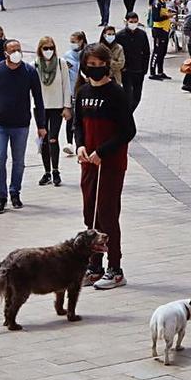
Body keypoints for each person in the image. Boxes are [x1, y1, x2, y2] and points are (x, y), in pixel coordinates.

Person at [75, 43, 137, 290]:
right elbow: (78, 125)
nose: (96, 69)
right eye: (91, 65)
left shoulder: (116, 93)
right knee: (90, 214)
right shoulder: (82, 92)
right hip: (88, 163)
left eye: (101, 65)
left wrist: (103, 152)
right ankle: (94, 265)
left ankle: (115, 269)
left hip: (110, 163)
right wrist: (79, 145)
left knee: (107, 215)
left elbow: (128, 131)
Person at [0, 39, 47, 214]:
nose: (17, 52)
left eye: (19, 49)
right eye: (13, 50)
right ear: (6, 53)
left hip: (21, 123)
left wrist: (41, 124)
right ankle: (1, 196)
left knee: (19, 161)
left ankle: (14, 192)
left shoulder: (29, 71)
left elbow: (38, 99)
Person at [35, 36, 71, 187]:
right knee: (43, 139)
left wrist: (67, 106)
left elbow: (66, 85)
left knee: (53, 138)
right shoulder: (35, 65)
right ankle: (47, 172)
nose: (48, 51)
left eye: (51, 48)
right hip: (41, 107)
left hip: (57, 106)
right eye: (45, 48)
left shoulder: (61, 64)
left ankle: (56, 170)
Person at [117, 12, 150, 111]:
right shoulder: (120, 35)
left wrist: (145, 69)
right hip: (126, 71)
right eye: (131, 22)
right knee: (128, 96)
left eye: (135, 22)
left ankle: (127, 116)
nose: (133, 24)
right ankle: (126, 118)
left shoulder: (142, 34)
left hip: (139, 70)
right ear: (126, 22)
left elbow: (146, 52)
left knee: (137, 97)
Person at [62, 31, 88, 156]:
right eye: (71, 42)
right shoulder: (67, 56)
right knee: (70, 118)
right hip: (72, 91)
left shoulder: (88, 54)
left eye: (75, 41)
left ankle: (82, 143)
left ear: (81, 41)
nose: (73, 44)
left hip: (85, 91)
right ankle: (69, 143)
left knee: (83, 118)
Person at [149, 0, 174, 80]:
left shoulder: (163, 3)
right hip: (158, 30)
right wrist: (168, 16)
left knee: (162, 52)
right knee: (157, 51)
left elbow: (163, 12)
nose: (168, 0)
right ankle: (152, 72)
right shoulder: (157, 2)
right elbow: (156, 18)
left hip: (165, 29)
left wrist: (168, 12)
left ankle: (160, 71)